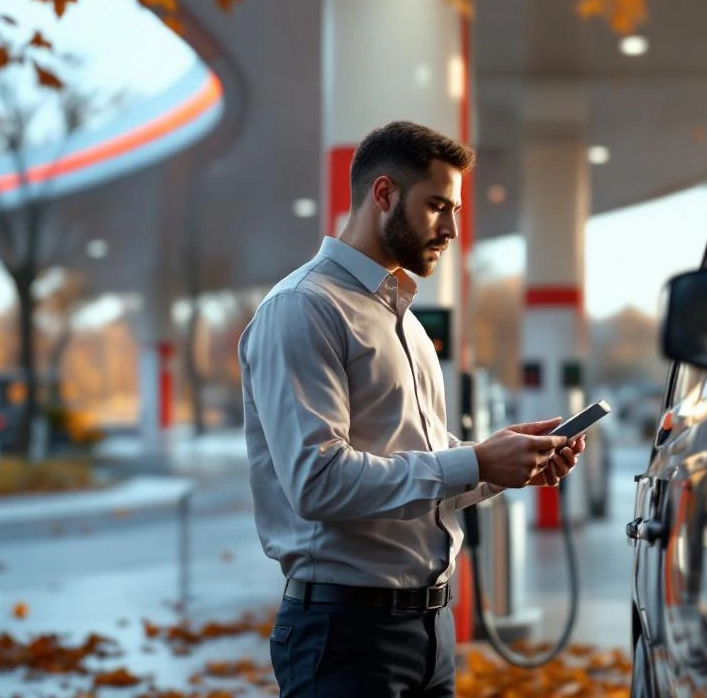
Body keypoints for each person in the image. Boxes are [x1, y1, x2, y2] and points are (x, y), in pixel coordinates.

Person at [237, 120, 585, 697]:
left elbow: (414, 463)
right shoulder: (303, 309)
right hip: (344, 637)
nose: (451, 228)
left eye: (454, 210)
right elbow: (317, 481)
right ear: (383, 195)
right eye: (436, 207)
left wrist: (500, 461)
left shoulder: (408, 321)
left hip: (429, 631)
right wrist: (474, 463)